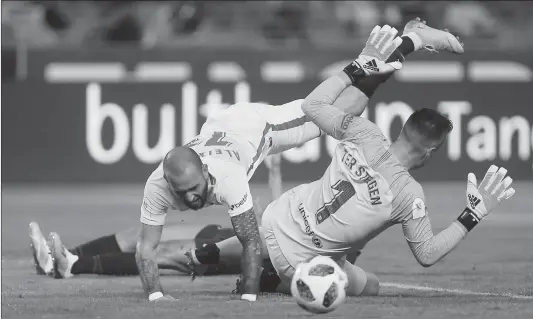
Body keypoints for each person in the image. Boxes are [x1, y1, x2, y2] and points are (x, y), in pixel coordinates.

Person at [29, 30, 384, 301]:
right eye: (183, 193)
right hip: (222, 134)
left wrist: (247, 293)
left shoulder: (230, 185)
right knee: (142, 239)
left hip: (252, 127)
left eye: (192, 191)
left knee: (324, 114)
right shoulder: (165, 183)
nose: (190, 200)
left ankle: (376, 65)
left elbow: (253, 242)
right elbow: (264, 232)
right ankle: (66, 259)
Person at [167, 22, 515, 297]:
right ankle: (269, 280)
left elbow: (312, 107)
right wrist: (473, 213)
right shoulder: (408, 196)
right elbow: (426, 254)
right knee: (369, 283)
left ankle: (213, 252)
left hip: (279, 217)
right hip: (301, 260)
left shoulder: (365, 134)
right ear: (431, 152)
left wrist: (357, 67)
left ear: (402, 129)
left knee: (335, 232)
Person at [29, 154, 283, 278]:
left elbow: (265, 245)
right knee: (137, 236)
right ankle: (62, 254)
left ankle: (70, 266)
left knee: (157, 254)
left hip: (223, 249)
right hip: (220, 231)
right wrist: (275, 171)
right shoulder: (298, 226)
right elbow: (278, 216)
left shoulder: (297, 249)